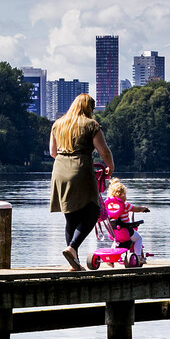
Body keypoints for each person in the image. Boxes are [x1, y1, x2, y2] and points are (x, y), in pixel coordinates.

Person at [48, 93, 115, 271]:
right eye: (92, 108)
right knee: (94, 210)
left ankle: (74, 261)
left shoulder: (58, 124)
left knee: (70, 216)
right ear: (88, 108)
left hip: (59, 170)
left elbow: (53, 153)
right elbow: (104, 151)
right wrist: (110, 166)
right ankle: (72, 248)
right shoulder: (91, 125)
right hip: (80, 168)